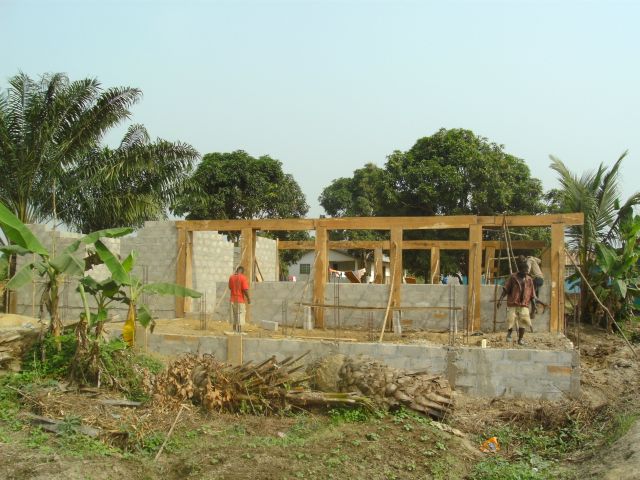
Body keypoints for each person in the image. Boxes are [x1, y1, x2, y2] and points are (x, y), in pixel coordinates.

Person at [497, 256, 536, 345]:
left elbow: (532, 294)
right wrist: (500, 300)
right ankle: (509, 333)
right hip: (513, 303)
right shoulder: (513, 277)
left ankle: (520, 339)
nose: (526, 272)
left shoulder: (529, 279)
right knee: (510, 320)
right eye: (524, 270)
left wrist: (534, 307)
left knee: (524, 321)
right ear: (520, 270)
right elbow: (506, 289)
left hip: (524, 304)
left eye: (527, 270)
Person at [228, 265, 250, 333]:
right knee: (240, 314)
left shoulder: (231, 277)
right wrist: (248, 298)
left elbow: (230, 287)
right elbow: (245, 290)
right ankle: (239, 331)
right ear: (242, 271)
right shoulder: (243, 278)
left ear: (237, 270)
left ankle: (234, 330)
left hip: (232, 299)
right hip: (240, 300)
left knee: (234, 315)